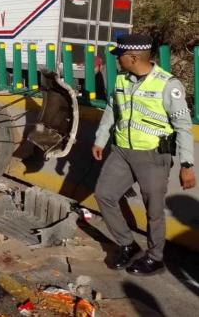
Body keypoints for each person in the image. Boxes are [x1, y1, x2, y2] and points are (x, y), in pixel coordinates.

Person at [93, 33, 195, 275]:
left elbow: (183, 127)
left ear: (133, 57)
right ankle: (127, 244)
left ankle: (155, 257)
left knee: (154, 210)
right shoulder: (121, 80)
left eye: (120, 57)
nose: (117, 61)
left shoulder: (168, 85)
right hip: (121, 151)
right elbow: (111, 109)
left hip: (153, 156)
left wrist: (187, 163)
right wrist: (100, 138)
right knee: (104, 194)